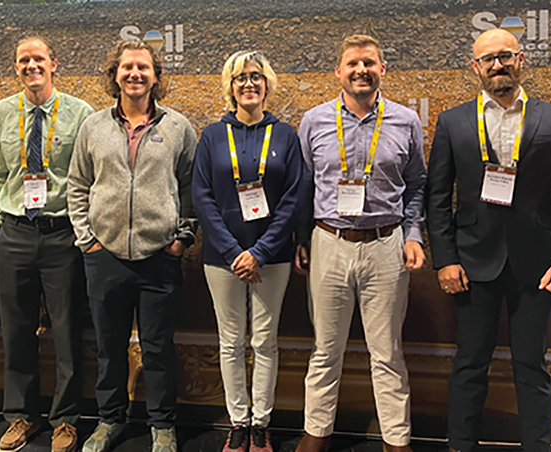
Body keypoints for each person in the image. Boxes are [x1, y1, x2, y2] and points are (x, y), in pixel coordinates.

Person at [426, 28, 551, 452]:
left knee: (532, 368)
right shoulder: (452, 122)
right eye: (487, 59)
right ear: (474, 67)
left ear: (521, 59)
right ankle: (460, 446)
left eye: (504, 56)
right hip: (470, 265)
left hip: (539, 267)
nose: (496, 65)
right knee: (469, 366)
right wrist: (444, 259)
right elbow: (437, 198)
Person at [294, 35, 427, 452]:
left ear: (382, 70)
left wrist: (413, 234)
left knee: (387, 352)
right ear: (339, 71)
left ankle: (396, 440)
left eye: (369, 62)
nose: (361, 70)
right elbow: (302, 186)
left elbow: (418, 186)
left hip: (385, 244)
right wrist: (302, 240)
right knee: (324, 350)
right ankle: (316, 435)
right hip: (328, 242)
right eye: (352, 63)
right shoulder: (314, 121)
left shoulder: (405, 120)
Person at [68, 40, 197, 452]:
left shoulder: (177, 127)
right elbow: (77, 186)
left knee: (158, 348)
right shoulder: (93, 126)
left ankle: (162, 426)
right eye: (127, 67)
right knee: (110, 349)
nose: (135, 74)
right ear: (115, 75)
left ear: (156, 76)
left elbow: (192, 189)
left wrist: (182, 240)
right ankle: (109, 422)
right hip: (104, 257)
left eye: (143, 67)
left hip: (160, 256)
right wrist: (88, 242)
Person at [0, 36, 94, 452]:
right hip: (13, 231)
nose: (31, 66)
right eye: (23, 60)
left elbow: (86, 177)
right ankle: (20, 417)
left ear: (54, 64)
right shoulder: (1, 112)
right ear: (16, 66)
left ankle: (65, 420)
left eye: (38, 59)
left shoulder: (79, 112)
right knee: (17, 331)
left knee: (67, 331)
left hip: (62, 234)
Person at [192, 50, 303, 452]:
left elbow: (293, 198)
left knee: (264, 341)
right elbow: (201, 198)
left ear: (267, 83)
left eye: (256, 76)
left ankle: (262, 423)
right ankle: (238, 422)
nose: (249, 83)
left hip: (271, 257)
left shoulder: (287, 136)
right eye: (240, 78)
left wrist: (259, 251)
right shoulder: (210, 136)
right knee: (230, 341)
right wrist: (233, 250)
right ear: (230, 86)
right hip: (223, 259)